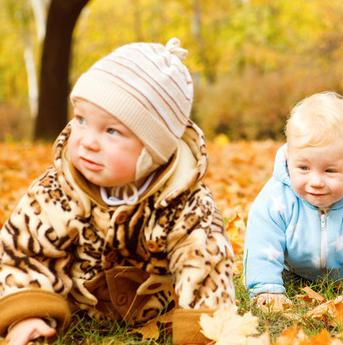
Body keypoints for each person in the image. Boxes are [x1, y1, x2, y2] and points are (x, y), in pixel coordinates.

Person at [0, 38, 235, 345]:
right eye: (81, 119)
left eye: (112, 131)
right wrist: (26, 313)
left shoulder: (186, 202)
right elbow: (26, 250)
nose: (87, 141)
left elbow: (205, 265)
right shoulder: (57, 189)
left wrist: (204, 333)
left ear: (154, 150)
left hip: (154, 308)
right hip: (77, 303)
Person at [243, 91, 343, 310]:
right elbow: (261, 243)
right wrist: (266, 289)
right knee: (275, 270)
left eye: (330, 171)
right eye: (303, 168)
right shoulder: (275, 198)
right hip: (292, 272)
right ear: (288, 159)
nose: (316, 182)